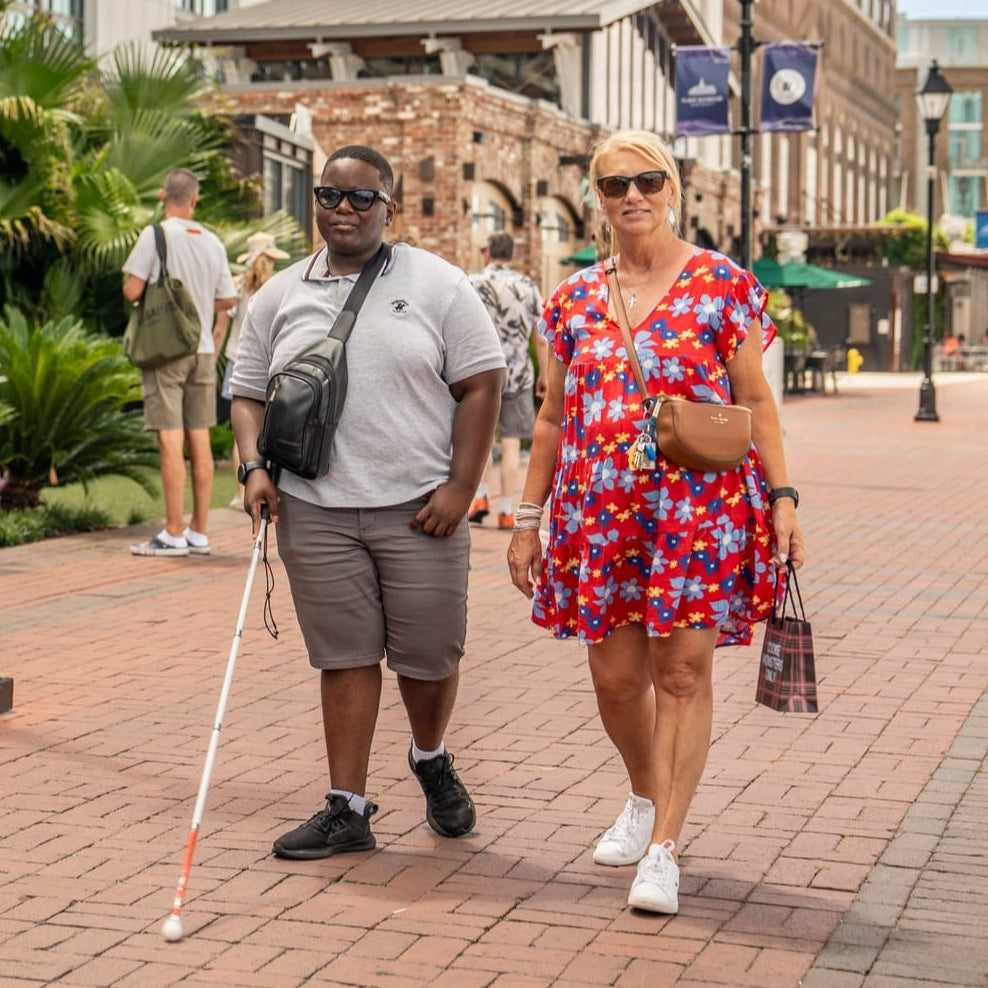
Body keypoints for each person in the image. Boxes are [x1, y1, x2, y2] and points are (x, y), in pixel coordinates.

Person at [506, 129, 804, 916]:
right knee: (614, 680)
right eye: (613, 185)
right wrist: (526, 518)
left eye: (647, 180)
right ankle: (643, 796)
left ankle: (665, 846)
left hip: (697, 515)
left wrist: (782, 498)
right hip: (599, 518)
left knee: (680, 674)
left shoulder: (722, 285)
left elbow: (757, 402)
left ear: (672, 189)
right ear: (595, 201)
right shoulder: (572, 296)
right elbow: (551, 418)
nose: (631, 195)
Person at [229, 145, 506, 859]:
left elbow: (483, 382)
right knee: (344, 657)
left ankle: (430, 756)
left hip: (420, 508)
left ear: (391, 205)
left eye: (361, 198)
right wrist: (252, 468)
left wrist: (460, 488)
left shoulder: (438, 284)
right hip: (316, 508)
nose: (343, 209)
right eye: (329, 195)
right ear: (313, 203)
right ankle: (346, 807)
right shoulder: (279, 293)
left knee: (428, 657)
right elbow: (247, 390)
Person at [123, 168, 237, 556]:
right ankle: (199, 531)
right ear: (194, 200)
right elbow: (227, 299)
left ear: (161, 196)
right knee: (199, 435)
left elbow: (132, 289)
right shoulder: (212, 241)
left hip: (166, 350)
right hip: (203, 349)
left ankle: (172, 532)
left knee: (170, 439)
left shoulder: (154, 235)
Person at [467, 232, 548, 530]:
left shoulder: (473, 283)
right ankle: (505, 510)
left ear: (487, 252)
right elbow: (541, 337)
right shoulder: (527, 286)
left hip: (481, 371)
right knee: (512, 442)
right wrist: (544, 375)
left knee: (483, 438)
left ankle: (481, 498)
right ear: (511, 252)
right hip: (519, 373)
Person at [218, 232, 290, 509]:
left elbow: (222, 327)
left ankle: (241, 491)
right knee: (265, 428)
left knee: (242, 430)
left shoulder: (238, 288)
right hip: (268, 365)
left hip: (237, 360)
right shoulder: (275, 288)